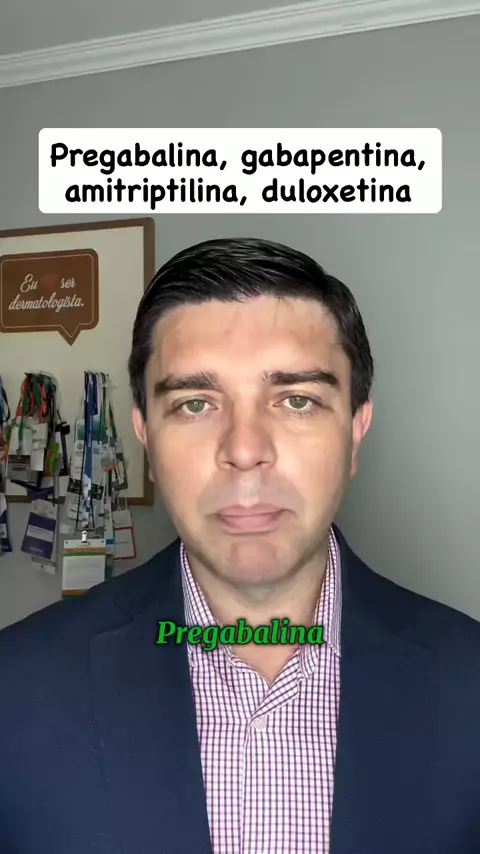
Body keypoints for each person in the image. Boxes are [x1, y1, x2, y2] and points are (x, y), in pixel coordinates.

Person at [0, 237, 479, 854]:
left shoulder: (469, 683)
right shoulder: (15, 690)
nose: (245, 449)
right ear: (146, 436)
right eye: (195, 404)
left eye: (297, 400)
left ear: (355, 431)